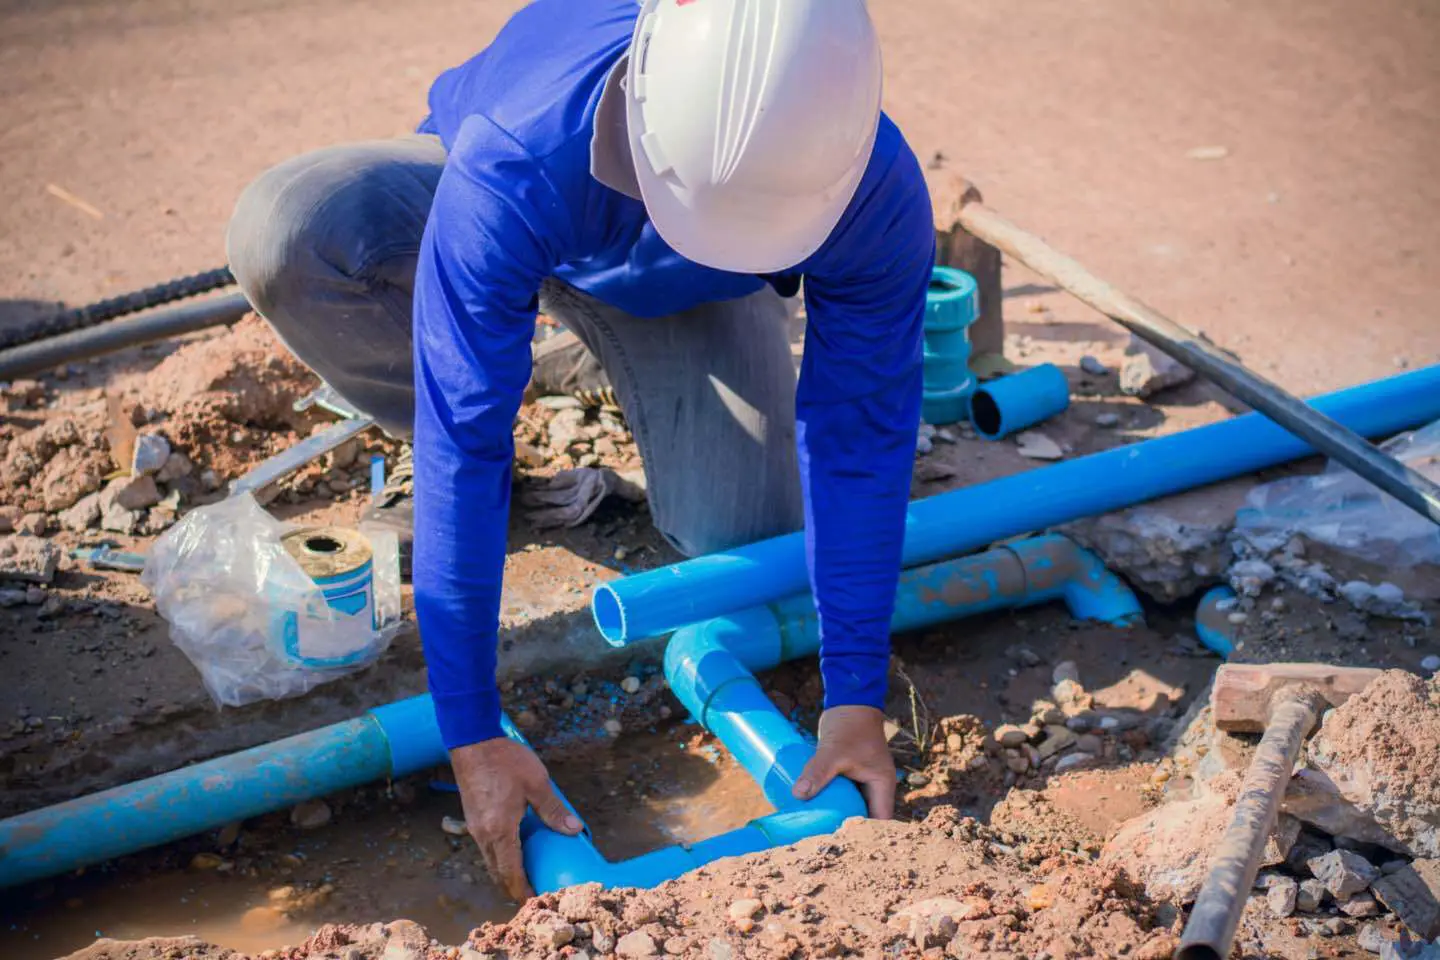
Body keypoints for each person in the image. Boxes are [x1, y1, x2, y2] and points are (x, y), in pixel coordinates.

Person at [226, 0, 934, 900]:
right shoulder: (516, 152)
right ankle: (496, 331)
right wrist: (473, 730)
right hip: (521, 207)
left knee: (742, 539)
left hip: (693, 286)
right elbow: (462, 446)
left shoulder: (871, 181)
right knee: (292, 226)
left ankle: (550, 342)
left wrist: (855, 699)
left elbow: (859, 438)